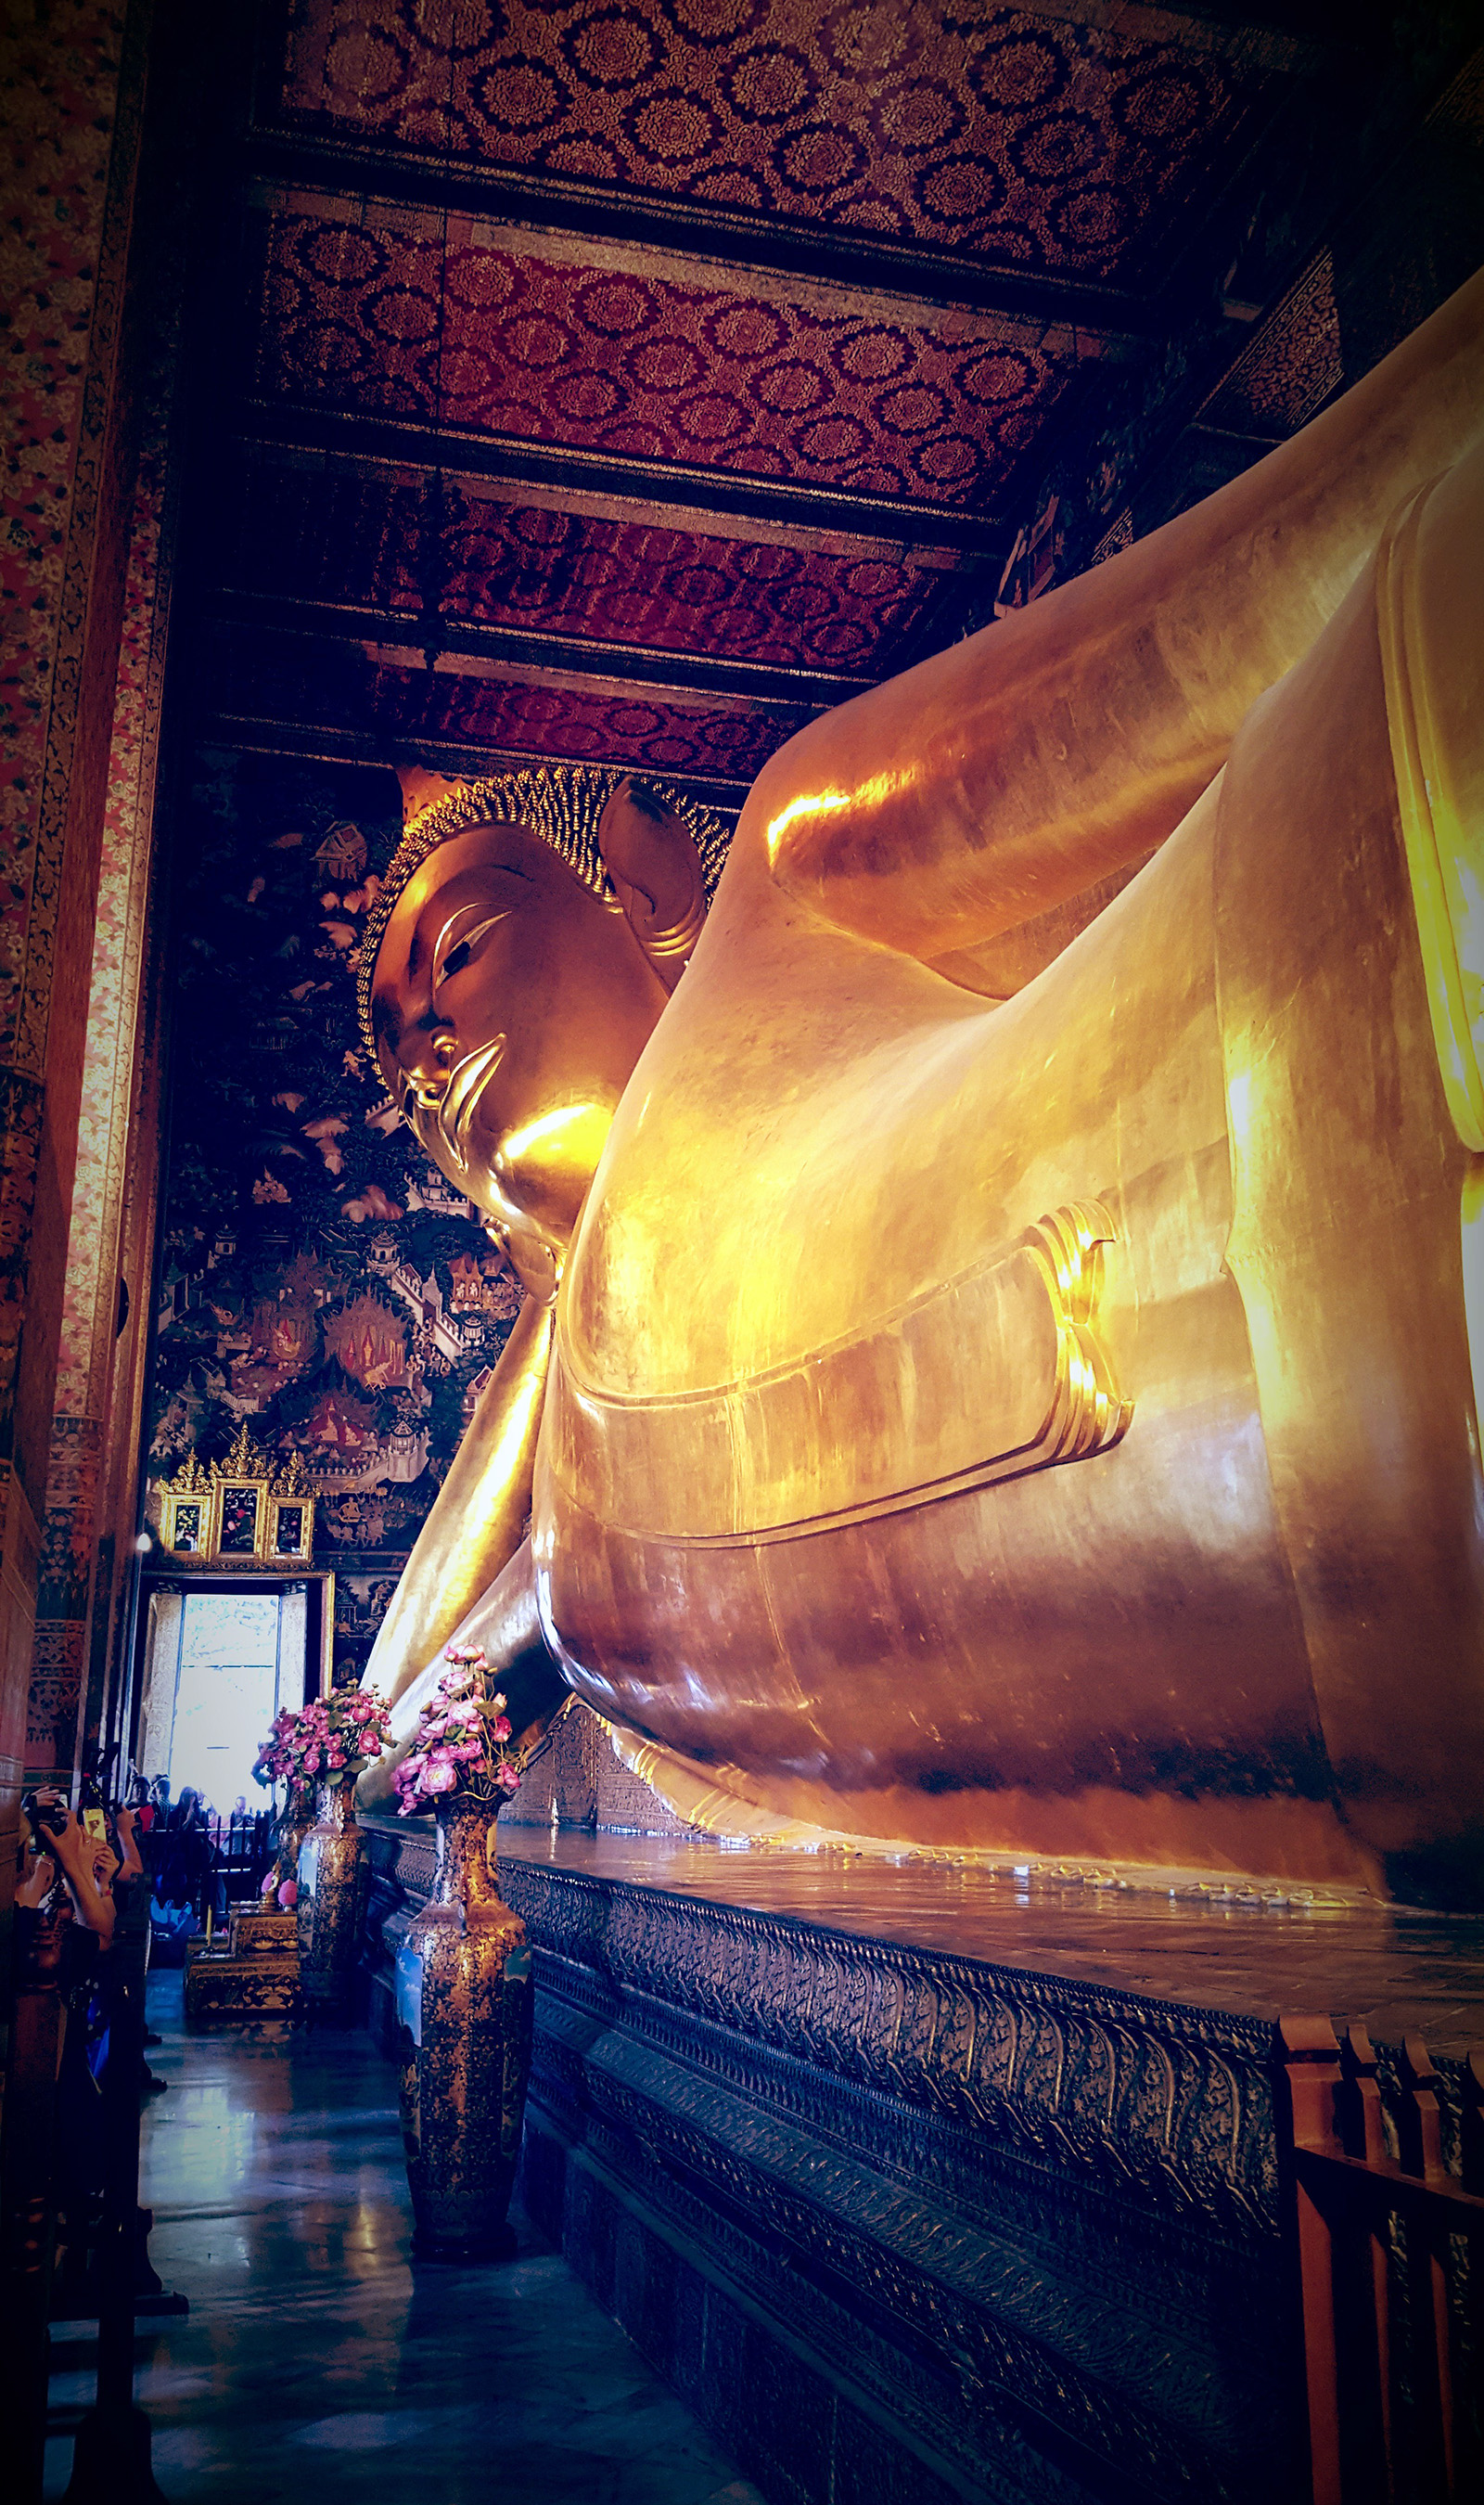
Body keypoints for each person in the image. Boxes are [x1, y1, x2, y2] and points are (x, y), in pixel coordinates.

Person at [358, 271, 1484, 1906]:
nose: (431, 1056)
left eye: (455, 958)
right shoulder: (579, 1515)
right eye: (398, 1059)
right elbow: (402, 1709)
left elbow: (1296, 557)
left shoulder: (790, 882)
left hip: (1370, 984)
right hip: (1399, 1697)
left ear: (642, 882)